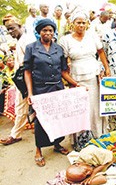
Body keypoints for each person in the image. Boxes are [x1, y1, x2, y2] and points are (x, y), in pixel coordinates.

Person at [23, 19, 80, 167]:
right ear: (39, 32)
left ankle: (57, 144)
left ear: (54, 32)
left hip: (57, 89)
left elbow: (63, 71)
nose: (48, 33)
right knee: (41, 121)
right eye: (44, 30)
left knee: (59, 119)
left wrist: (75, 84)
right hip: (40, 90)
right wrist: (30, 93)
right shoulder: (31, 48)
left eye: (50, 30)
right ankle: (38, 149)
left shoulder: (58, 49)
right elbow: (27, 72)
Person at [59, 10, 111, 150]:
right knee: (80, 109)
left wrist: (106, 68)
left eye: (83, 23)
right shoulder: (65, 40)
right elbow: (63, 64)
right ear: (72, 24)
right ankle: (81, 139)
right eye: (78, 23)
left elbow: (101, 52)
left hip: (93, 76)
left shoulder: (92, 36)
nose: (81, 25)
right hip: (76, 78)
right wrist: (72, 82)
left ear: (87, 24)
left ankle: (97, 135)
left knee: (94, 107)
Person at [0, 16, 34, 145]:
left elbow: (31, 62)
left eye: (12, 28)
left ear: (20, 27)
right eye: (8, 29)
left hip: (27, 77)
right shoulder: (20, 40)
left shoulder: (27, 40)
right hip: (22, 77)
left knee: (22, 106)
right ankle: (16, 134)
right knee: (21, 106)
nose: (10, 32)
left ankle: (16, 134)